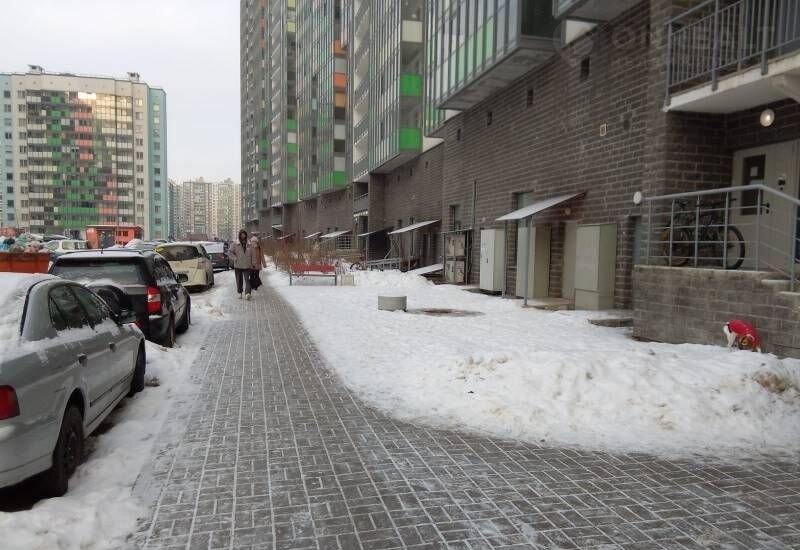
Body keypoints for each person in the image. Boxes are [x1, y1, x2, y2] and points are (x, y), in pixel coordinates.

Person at [229, 229, 253, 300]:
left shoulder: (249, 243)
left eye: (244, 234)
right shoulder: (235, 244)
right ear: (239, 235)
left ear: (246, 235)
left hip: (247, 265)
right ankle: (240, 293)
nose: (243, 236)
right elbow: (230, 252)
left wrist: (253, 263)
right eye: (242, 234)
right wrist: (234, 258)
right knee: (239, 280)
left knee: (247, 280)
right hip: (238, 265)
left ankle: (247, 293)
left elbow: (253, 254)